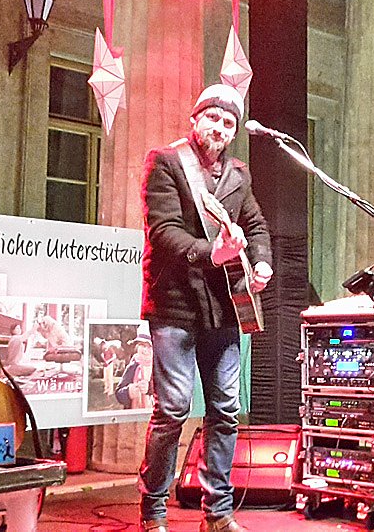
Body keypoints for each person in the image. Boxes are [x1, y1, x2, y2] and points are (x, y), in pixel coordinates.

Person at [136, 84, 272, 532]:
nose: (219, 127)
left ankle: (218, 513)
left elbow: (256, 224)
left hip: (224, 308)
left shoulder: (238, 174)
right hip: (174, 306)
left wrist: (262, 263)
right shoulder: (166, 162)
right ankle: (154, 510)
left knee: (226, 410)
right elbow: (163, 231)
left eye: (228, 122)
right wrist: (210, 253)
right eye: (212, 117)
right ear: (194, 119)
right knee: (173, 409)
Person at [115, 333, 154, 409]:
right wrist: (128, 392)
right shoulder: (132, 366)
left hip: (155, 413)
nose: (145, 350)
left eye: (150, 346)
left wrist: (149, 388)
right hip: (134, 413)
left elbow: (167, 392)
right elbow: (118, 394)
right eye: (142, 345)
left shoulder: (161, 368)